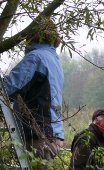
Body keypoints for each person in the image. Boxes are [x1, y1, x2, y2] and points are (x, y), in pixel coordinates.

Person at [3, 17, 64, 169]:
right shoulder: (52, 59)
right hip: (51, 133)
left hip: (40, 135)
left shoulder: (36, 58)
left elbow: (9, 88)